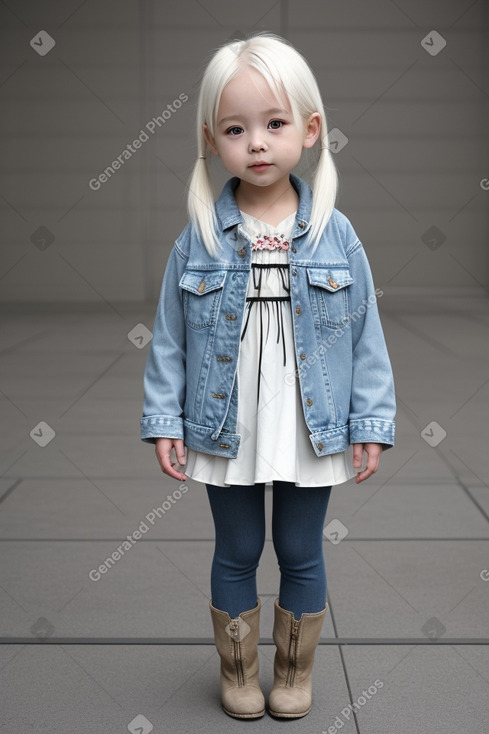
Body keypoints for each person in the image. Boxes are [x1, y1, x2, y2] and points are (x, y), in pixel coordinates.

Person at [140, 31, 396, 720]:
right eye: (235, 128)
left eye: (273, 124)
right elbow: (169, 339)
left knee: (298, 548)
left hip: (311, 421)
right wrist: (164, 419)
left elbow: (367, 334)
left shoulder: (334, 234)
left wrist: (369, 423)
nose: (255, 142)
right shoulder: (197, 236)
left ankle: (292, 672)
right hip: (228, 420)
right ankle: (236, 674)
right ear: (210, 139)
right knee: (239, 547)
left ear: (309, 131)